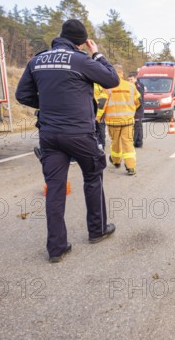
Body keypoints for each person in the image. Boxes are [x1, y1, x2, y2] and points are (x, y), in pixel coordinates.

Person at [16, 19, 120, 263]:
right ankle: (97, 230)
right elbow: (112, 80)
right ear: (82, 43)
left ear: (60, 36)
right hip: (79, 134)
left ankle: (56, 248)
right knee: (93, 177)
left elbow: (22, 94)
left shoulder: (37, 60)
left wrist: (51, 106)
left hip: (49, 135)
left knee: (55, 188)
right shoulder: (81, 59)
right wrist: (98, 54)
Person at [101, 65, 141, 175]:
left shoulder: (107, 87)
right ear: (122, 74)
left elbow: (101, 104)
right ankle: (131, 167)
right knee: (128, 143)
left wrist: (98, 117)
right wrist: (131, 110)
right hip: (127, 121)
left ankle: (116, 161)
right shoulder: (131, 86)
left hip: (113, 121)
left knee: (115, 142)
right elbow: (138, 101)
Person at [127, 71, 145, 148]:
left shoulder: (137, 86)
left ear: (135, 78)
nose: (129, 81)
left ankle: (134, 142)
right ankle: (139, 142)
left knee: (136, 126)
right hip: (135, 108)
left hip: (137, 109)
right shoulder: (134, 85)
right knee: (139, 126)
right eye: (129, 79)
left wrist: (133, 108)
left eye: (131, 79)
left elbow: (139, 99)